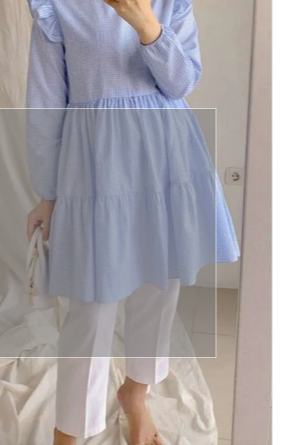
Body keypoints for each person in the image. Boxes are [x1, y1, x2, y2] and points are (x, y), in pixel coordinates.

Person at [25, 1, 240, 444]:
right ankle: (69, 431)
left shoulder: (170, 4)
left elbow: (182, 82)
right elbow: (45, 104)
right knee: (91, 302)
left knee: (160, 286)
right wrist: (47, 192)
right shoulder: (57, 7)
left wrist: (146, 24)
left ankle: (135, 396)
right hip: (95, 163)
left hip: (167, 156)